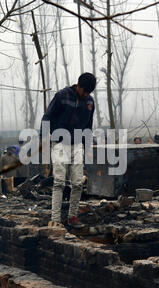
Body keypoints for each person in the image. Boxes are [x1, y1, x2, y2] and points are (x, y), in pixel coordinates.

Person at [41, 72, 96, 228]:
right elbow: (47, 117)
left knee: (78, 183)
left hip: (77, 144)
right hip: (59, 142)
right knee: (59, 182)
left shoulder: (89, 102)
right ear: (78, 86)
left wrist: (88, 147)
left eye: (88, 93)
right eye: (84, 91)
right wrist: (44, 138)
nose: (86, 95)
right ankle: (56, 219)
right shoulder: (62, 96)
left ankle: (72, 216)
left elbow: (89, 127)